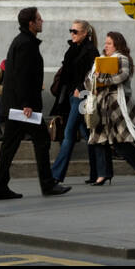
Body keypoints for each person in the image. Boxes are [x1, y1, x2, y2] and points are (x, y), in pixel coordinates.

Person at [0, 7, 72, 200]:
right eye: (39, 19)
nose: (42, 21)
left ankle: (1, 187)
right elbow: (22, 77)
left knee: (12, 145)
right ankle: (46, 184)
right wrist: (26, 104)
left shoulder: (23, 42)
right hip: (23, 108)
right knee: (41, 140)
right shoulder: (26, 44)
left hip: (18, 106)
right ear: (31, 23)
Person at [85, 32, 135, 185]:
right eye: (105, 43)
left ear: (117, 44)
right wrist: (95, 79)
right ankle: (103, 174)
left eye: (109, 43)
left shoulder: (122, 59)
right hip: (100, 105)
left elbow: (122, 76)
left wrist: (101, 78)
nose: (105, 46)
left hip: (118, 104)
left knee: (120, 141)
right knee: (98, 139)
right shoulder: (99, 61)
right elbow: (88, 81)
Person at [50, 20, 102, 185]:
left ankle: (55, 175)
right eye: (71, 30)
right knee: (87, 136)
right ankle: (98, 172)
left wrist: (80, 88)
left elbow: (94, 74)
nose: (72, 33)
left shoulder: (91, 51)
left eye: (76, 31)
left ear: (85, 33)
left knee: (69, 134)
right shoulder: (72, 49)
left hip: (82, 96)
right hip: (71, 98)